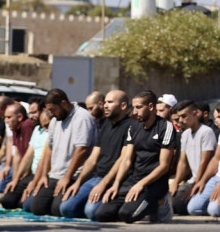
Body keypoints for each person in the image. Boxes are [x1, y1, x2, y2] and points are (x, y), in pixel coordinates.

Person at [96, 90, 178, 223]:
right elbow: (127, 159)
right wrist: (116, 184)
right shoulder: (133, 128)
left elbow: (164, 166)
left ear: (151, 107)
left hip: (153, 184)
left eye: (139, 107)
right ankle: (135, 205)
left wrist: (141, 184)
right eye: (134, 107)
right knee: (102, 215)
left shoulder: (165, 127)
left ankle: (159, 202)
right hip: (133, 180)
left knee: (127, 216)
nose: (134, 112)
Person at [60, 90, 134, 219]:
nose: (105, 105)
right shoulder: (104, 124)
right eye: (105, 102)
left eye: (110, 102)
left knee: (92, 212)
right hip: (96, 178)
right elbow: (93, 158)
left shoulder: (131, 127)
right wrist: (78, 182)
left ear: (123, 106)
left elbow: (123, 159)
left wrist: (103, 184)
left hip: (114, 180)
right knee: (65, 208)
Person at [29, 89, 96, 216]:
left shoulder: (82, 117)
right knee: (35, 207)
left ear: (64, 103)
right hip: (55, 175)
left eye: (53, 109)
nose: (51, 113)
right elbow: (49, 148)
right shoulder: (55, 120)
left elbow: (81, 149)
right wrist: (44, 175)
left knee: (58, 209)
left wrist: (67, 177)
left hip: (74, 175)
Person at [170, 100, 217, 215]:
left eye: (184, 116)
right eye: (179, 117)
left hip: (205, 180)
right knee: (167, 201)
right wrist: (175, 182)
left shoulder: (206, 132)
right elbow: (183, 162)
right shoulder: (185, 134)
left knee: (181, 206)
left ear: (195, 114)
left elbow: (204, 161)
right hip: (192, 180)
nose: (181, 120)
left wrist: (196, 184)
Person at [2, 109, 51, 211]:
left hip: (44, 174)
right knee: (7, 200)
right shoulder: (37, 129)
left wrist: (34, 182)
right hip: (33, 173)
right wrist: (16, 179)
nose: (31, 116)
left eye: (47, 126)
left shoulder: (53, 133)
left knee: (26, 205)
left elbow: (43, 160)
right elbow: (28, 156)